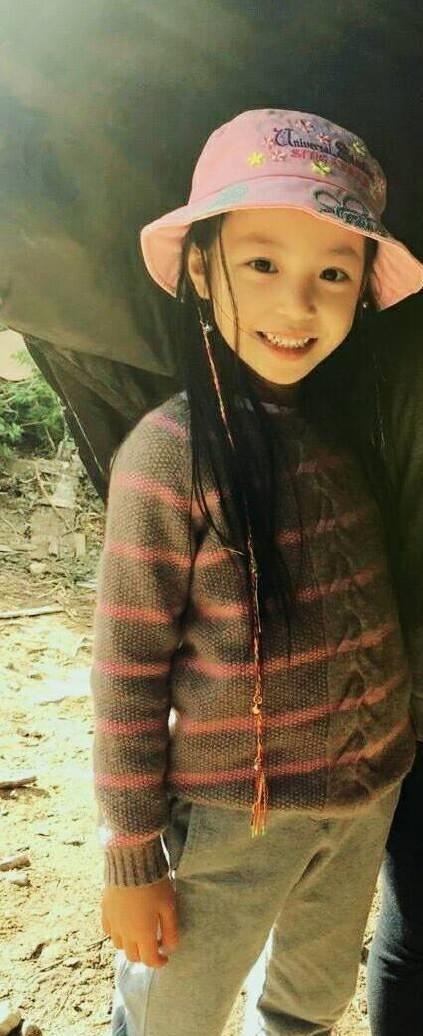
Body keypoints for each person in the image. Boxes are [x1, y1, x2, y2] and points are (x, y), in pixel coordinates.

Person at [91, 109, 423, 1036]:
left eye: (332, 273)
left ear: (363, 290)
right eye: (262, 263)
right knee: (172, 1017)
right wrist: (132, 857)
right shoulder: (168, 456)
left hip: (363, 806)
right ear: (202, 269)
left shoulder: (351, 436)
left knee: (306, 1008)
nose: (297, 304)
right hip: (231, 822)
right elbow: (125, 672)